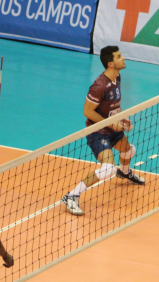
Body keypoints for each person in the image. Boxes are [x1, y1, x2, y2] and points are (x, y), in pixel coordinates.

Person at [61, 46, 145, 216]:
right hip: (99, 133)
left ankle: (125, 172)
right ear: (110, 63)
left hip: (112, 128)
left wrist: (122, 117)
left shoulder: (117, 77)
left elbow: (114, 105)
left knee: (129, 152)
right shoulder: (98, 86)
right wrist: (110, 124)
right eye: (119, 57)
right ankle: (72, 196)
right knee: (108, 169)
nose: (123, 58)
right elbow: (88, 111)